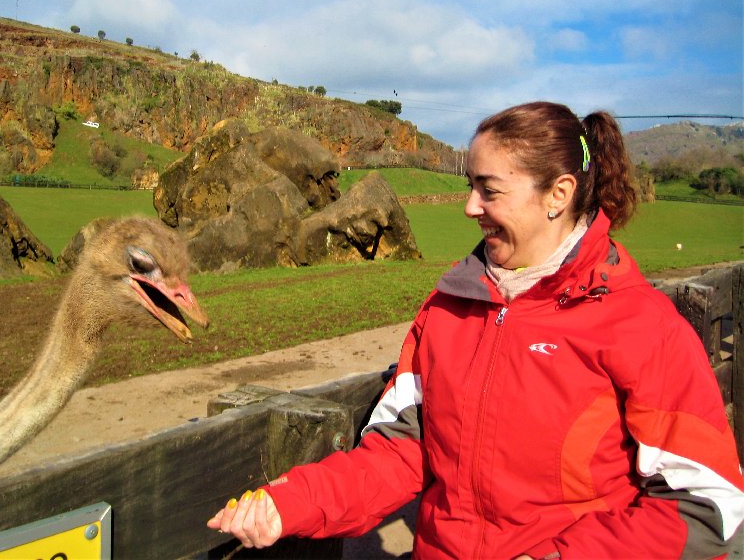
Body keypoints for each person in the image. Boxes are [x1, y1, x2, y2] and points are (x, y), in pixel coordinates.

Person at [208, 101, 744, 558]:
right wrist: (293, 502)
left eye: (489, 190)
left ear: (557, 195)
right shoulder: (446, 310)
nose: (469, 208)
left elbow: (706, 502)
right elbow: (402, 450)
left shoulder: (641, 326)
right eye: (470, 187)